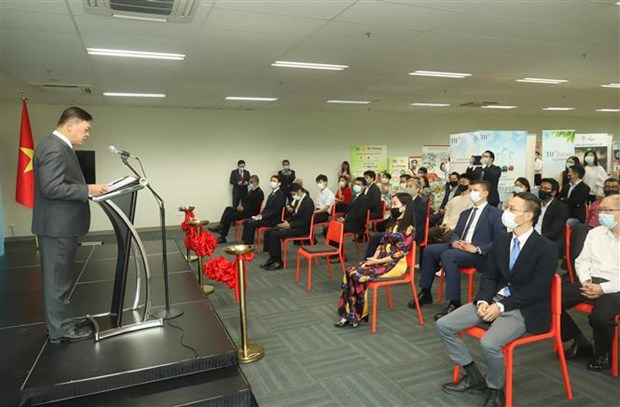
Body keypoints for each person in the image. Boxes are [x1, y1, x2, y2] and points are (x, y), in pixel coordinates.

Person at [436, 192, 557, 407]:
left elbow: (536, 289)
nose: (505, 212)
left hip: (525, 307)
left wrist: (500, 306)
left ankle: (495, 388)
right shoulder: (502, 240)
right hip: (493, 300)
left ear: (528, 215)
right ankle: (473, 376)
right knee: (444, 324)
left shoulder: (546, 248)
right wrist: (483, 301)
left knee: (489, 343)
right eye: (507, 207)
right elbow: (490, 275)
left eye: (512, 208)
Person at [32, 106, 108, 343]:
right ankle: (60, 329)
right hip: (58, 228)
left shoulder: (60, 147)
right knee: (57, 281)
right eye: (86, 129)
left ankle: (59, 323)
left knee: (59, 280)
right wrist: (88, 189)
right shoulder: (54, 148)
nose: (87, 135)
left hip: (61, 226)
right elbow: (51, 188)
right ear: (70, 125)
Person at [413, 181, 505, 319]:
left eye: (475, 190)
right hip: (460, 247)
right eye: (471, 190)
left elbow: (500, 240)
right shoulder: (466, 213)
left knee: (449, 256)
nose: (472, 193)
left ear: (485, 193)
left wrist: (477, 248)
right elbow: (456, 232)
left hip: (478, 254)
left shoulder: (496, 214)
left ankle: (454, 302)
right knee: (429, 250)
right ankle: (425, 292)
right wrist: (455, 241)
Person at [335, 193, 415, 328]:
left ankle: (357, 314)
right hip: (380, 260)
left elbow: (399, 254)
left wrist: (376, 262)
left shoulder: (409, 229)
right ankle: (347, 313)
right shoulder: (392, 224)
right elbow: (382, 244)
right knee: (350, 272)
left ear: (404, 207)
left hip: (394, 264)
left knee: (360, 276)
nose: (392, 207)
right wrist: (374, 258)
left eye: (395, 204)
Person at [560, 194, 620, 372]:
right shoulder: (595, 233)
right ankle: (580, 340)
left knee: (599, 318)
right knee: (547, 299)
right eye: (600, 210)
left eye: (607, 210)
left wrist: (602, 288)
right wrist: (585, 280)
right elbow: (582, 261)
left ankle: (604, 352)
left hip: (615, 286)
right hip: (590, 281)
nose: (602, 214)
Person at [260, 183, 314, 270]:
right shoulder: (298, 200)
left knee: (274, 234)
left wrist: (290, 225)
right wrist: (287, 221)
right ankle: (272, 258)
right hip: (294, 225)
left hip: (302, 229)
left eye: (294, 194)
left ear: (299, 191)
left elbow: (305, 220)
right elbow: (294, 215)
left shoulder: (308, 202)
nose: (293, 196)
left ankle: (278, 261)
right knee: (268, 231)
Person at [210, 175, 264, 244]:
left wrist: (244, 208)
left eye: (251, 182)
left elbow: (255, 207)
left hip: (250, 213)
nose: (249, 184)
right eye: (249, 182)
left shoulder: (259, 192)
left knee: (229, 216)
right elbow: (245, 201)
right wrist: (240, 206)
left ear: (256, 183)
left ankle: (222, 235)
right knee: (228, 209)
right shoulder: (251, 191)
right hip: (245, 209)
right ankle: (221, 226)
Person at [428, 174, 473, 244]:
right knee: (428, 232)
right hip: (446, 226)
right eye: (460, 182)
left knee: (446, 237)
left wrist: (451, 227)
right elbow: (447, 214)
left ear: (470, 185)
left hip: (456, 228)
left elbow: (465, 219)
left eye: (463, 182)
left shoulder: (471, 201)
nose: (461, 184)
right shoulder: (454, 199)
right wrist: (445, 224)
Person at [241, 175, 286, 245]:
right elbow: (267, 208)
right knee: (247, 221)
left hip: (273, 220)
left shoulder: (280, 194)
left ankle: (248, 245)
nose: (272, 182)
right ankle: (245, 241)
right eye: (271, 181)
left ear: (279, 183)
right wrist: (260, 215)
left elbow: (275, 211)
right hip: (267, 217)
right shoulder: (272, 193)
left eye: (274, 181)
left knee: (251, 223)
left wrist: (263, 217)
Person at [535, 178, 569, 257]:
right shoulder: (535, 204)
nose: (542, 190)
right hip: (534, 237)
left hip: (549, 240)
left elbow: (554, 232)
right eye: (541, 188)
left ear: (553, 192)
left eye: (546, 189)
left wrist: (535, 239)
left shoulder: (561, 208)